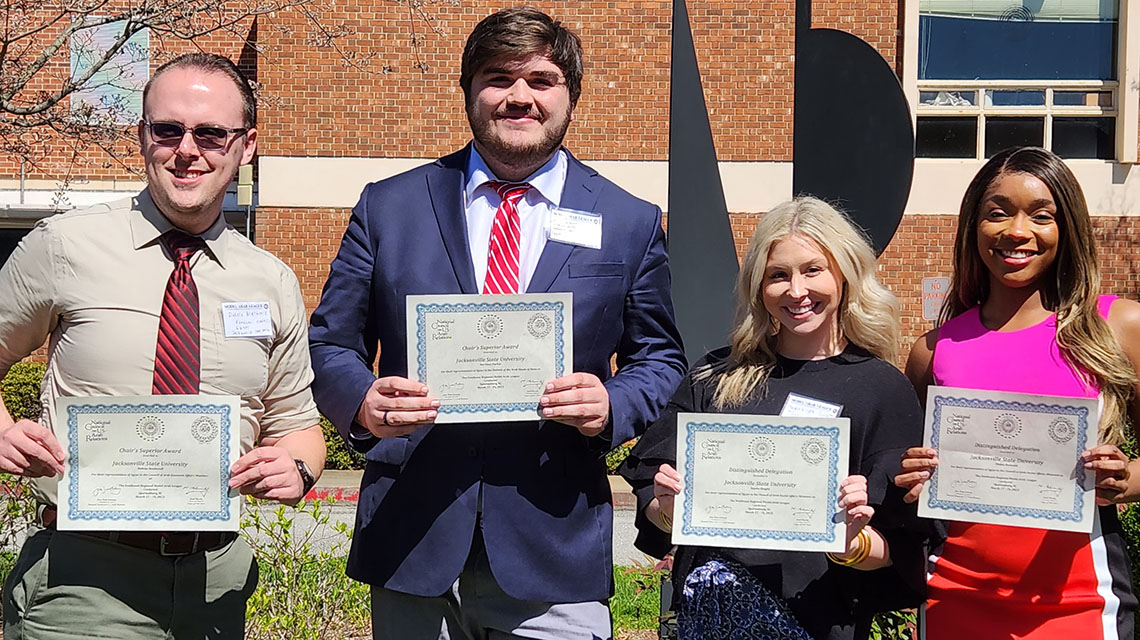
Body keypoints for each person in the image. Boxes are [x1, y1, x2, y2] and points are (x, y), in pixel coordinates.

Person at [307, 7, 686, 640]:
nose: (519, 97)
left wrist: (611, 404)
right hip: (413, 539)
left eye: (541, 80)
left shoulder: (629, 220)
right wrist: (364, 403)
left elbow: (661, 360)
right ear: (468, 90)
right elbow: (331, 343)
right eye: (497, 77)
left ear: (571, 95)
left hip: (553, 541)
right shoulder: (389, 206)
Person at [0, 53, 326, 639]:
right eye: (167, 130)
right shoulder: (64, 246)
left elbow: (298, 425)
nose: (187, 149)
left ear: (245, 146)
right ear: (142, 137)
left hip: (216, 582)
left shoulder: (271, 280)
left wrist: (297, 467)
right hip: (84, 578)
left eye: (210, 133)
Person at [621, 197, 926, 640]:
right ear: (757, 287)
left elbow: (904, 545)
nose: (796, 290)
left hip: (818, 622)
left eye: (813, 270)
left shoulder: (882, 390)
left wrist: (851, 544)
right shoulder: (715, 377)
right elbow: (652, 491)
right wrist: (666, 510)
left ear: (844, 273)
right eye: (778, 275)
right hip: (708, 621)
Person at [895, 146, 1140, 639]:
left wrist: (1125, 481)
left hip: (1079, 606)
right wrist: (913, 478)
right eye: (997, 213)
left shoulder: (1119, 325)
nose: (1017, 231)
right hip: (954, 600)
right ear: (973, 227)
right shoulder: (932, 351)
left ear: (1065, 226)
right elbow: (909, 481)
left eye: (1041, 215)